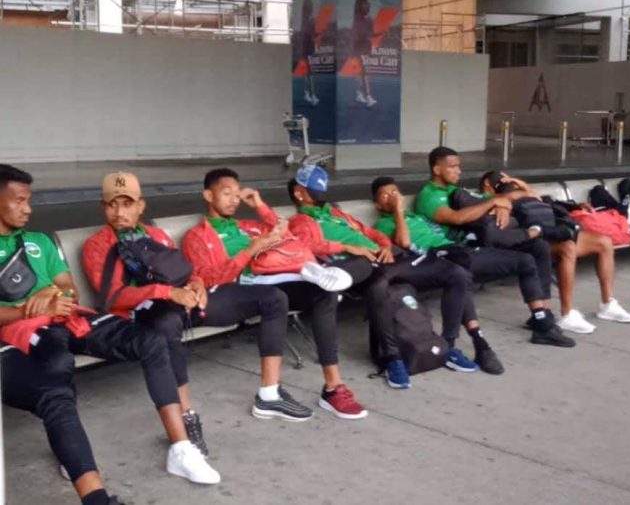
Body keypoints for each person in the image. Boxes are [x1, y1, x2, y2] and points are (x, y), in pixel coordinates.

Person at [83, 172, 330, 423]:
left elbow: (183, 272)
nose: (119, 212)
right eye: (112, 205)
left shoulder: (156, 235)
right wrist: (168, 292)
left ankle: (269, 394)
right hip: (144, 311)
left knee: (273, 298)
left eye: (127, 204)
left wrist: (196, 283)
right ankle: (185, 415)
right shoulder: (97, 245)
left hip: (184, 301)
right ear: (103, 207)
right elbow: (115, 297)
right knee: (166, 324)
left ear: (141, 205)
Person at [287, 165, 505, 388]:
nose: (321, 199)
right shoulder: (301, 222)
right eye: (316, 194)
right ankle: (393, 358)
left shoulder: (337, 214)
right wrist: (349, 247)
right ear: (299, 193)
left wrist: (384, 245)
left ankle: (448, 345)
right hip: (360, 268)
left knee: (456, 273)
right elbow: (308, 245)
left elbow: (373, 233)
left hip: (392, 258)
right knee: (379, 285)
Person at [181, 168, 367, 420]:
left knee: (325, 293)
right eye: (226, 194)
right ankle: (269, 395)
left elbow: (287, 234)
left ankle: (333, 388)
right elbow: (208, 279)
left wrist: (259, 206)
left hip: (269, 278)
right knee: (275, 297)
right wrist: (250, 251)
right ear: (208, 195)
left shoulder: (248, 226)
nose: (234, 200)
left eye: (237, 195)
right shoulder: (198, 236)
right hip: (236, 288)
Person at [0, 165, 128, 505]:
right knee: (56, 380)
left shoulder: (37, 241)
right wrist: (32, 309)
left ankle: (96, 497)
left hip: (50, 330)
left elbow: (68, 289)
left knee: (58, 384)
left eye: (29, 200)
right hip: (6, 349)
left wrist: (58, 299)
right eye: (19, 201)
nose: (28, 208)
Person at [413, 147, 575, 345]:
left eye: (459, 167)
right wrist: (497, 202)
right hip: (456, 251)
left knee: (538, 247)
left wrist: (501, 203)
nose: (459, 171)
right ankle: (543, 324)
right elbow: (457, 218)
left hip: (479, 241)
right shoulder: (429, 195)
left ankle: (543, 316)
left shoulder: (455, 190)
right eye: (453, 167)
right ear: (437, 170)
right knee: (524, 260)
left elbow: (505, 199)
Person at [479, 171, 630, 334]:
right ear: (487, 185)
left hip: (550, 234)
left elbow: (543, 201)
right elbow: (489, 208)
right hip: (527, 241)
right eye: (500, 181)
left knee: (604, 242)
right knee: (567, 248)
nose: (509, 184)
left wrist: (524, 187)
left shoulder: (526, 195)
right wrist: (508, 198)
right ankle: (567, 314)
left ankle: (607, 304)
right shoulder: (486, 198)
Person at [352, 0, 376, 107]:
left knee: (364, 72)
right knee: (365, 71)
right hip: (360, 47)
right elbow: (360, 34)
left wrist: (377, 33)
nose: (368, 5)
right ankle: (368, 97)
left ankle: (359, 93)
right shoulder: (359, 19)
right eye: (365, 4)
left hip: (366, 46)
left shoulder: (369, 19)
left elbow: (372, 33)